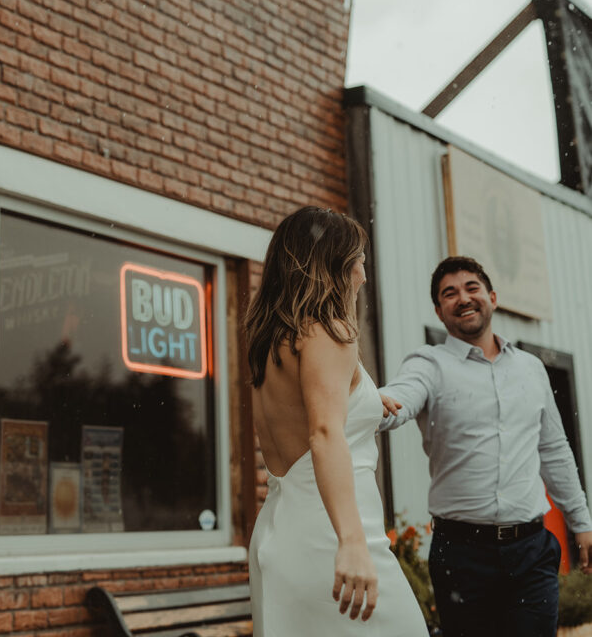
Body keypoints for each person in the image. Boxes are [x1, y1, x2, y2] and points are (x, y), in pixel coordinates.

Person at [379, 254, 592, 637]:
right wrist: (374, 403)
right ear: (439, 311)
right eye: (449, 293)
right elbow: (398, 399)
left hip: (531, 551)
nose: (463, 298)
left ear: (492, 297)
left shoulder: (531, 368)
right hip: (461, 556)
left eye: (471, 287)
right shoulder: (429, 364)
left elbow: (555, 450)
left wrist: (582, 523)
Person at [245, 206, 427, 636]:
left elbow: (314, 409)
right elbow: (325, 433)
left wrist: (366, 399)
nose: (363, 275)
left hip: (281, 531)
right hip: (332, 536)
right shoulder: (330, 331)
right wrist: (351, 544)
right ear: (333, 265)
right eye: (359, 261)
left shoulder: (272, 338)